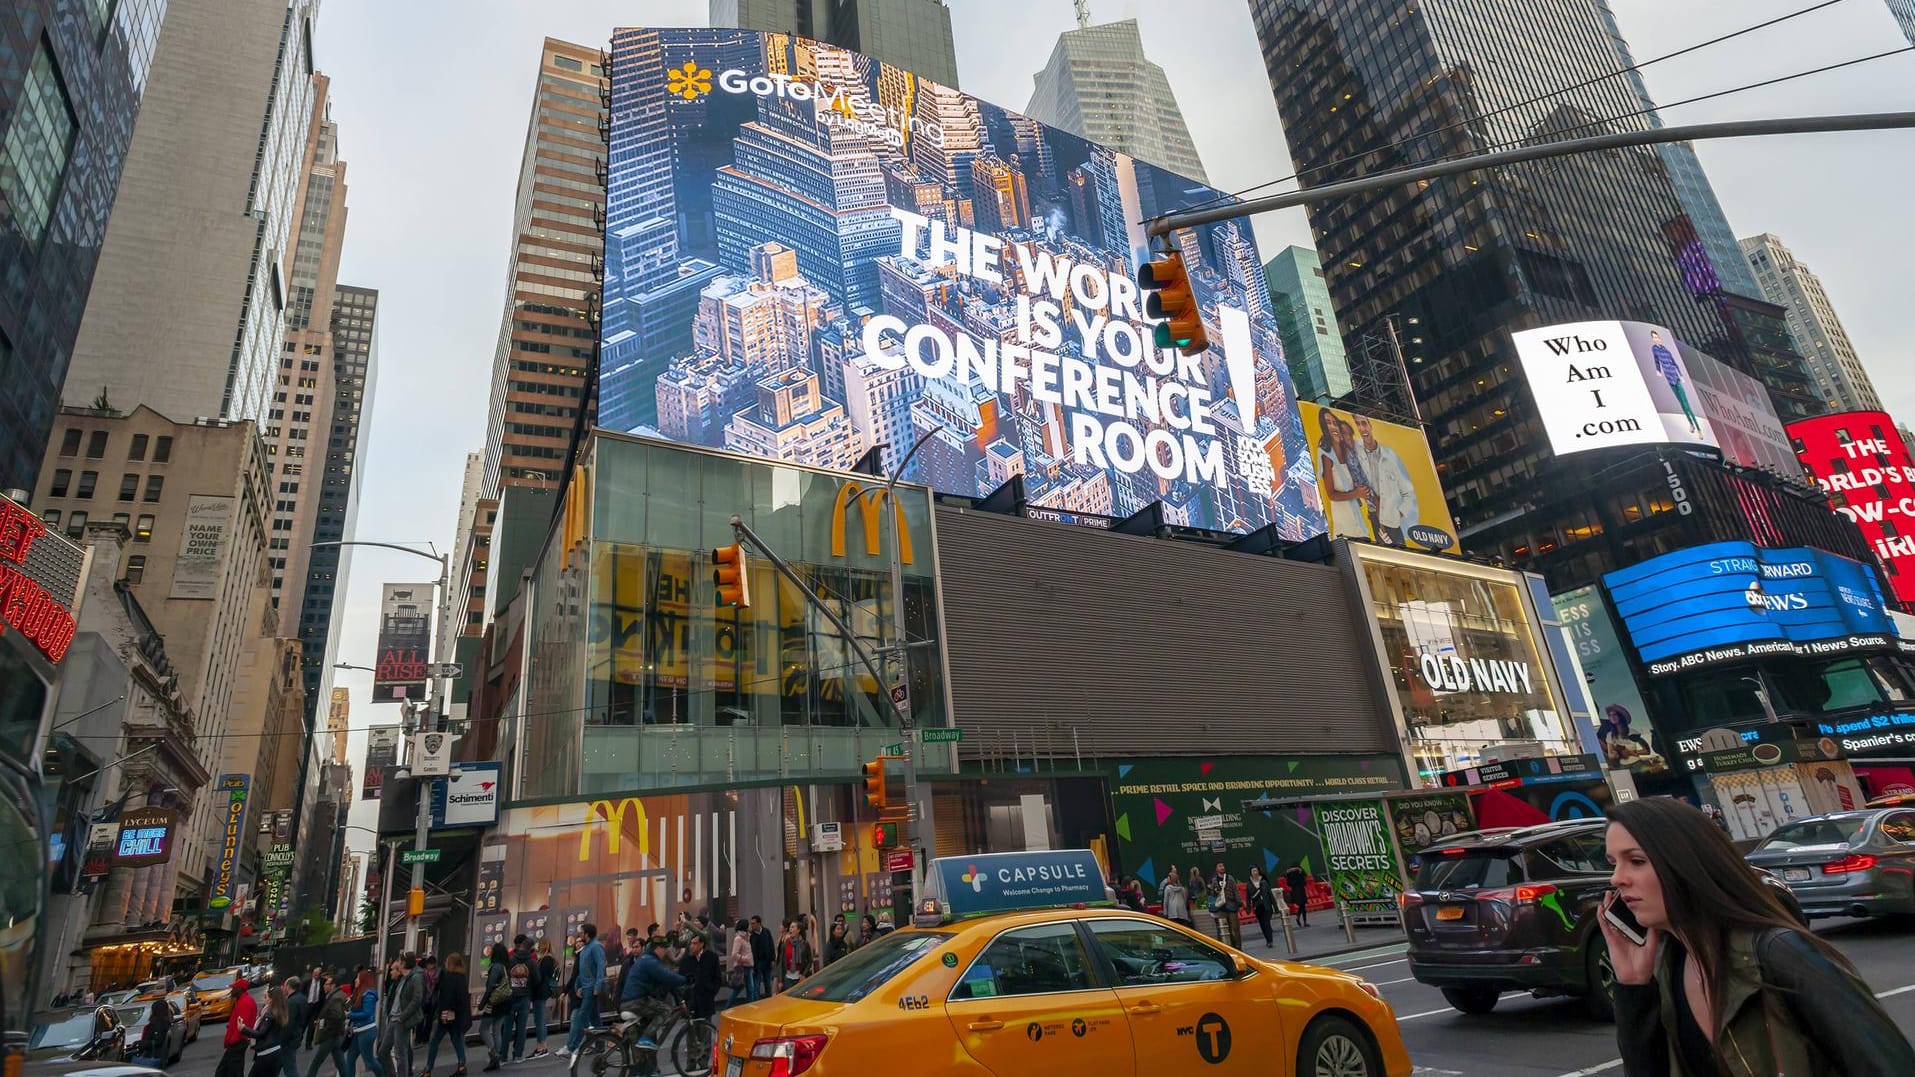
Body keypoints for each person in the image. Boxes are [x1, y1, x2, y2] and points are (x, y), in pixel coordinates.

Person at [1603, 797, 1915, 1076]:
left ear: (1688, 863)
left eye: (1637, 861)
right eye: (1613, 863)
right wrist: (1633, 989)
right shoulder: (1667, 966)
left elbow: (1886, 1062)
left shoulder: (1779, 952)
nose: (1617, 878)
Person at [1351, 414, 1419, 546]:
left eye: (1364, 423)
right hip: (1373, 517)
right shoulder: (1355, 452)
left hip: (1391, 521)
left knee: (1402, 558)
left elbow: (1408, 493)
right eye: (1357, 424)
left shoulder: (1389, 457)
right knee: (1383, 559)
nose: (1361, 428)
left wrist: (1398, 513)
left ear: (1370, 426)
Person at [620, 940, 685, 1052]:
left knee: (645, 1026)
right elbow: (665, 976)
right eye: (664, 949)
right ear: (658, 948)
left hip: (629, 1000)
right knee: (665, 1010)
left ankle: (647, 1063)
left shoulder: (644, 959)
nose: (665, 952)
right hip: (637, 1001)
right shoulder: (651, 961)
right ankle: (645, 1038)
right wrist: (684, 980)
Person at [1317, 409, 1373, 538]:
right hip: (1344, 524)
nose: (1332, 426)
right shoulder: (1326, 455)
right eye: (1327, 423)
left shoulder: (1348, 452)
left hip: (1359, 519)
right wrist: (1356, 493)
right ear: (1324, 427)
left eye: (1334, 422)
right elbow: (1331, 494)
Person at [560, 923, 605, 1059]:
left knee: (582, 1017)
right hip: (585, 988)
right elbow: (581, 971)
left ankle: (572, 1047)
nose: (579, 936)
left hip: (591, 988)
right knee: (594, 1018)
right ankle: (600, 1045)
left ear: (587, 934)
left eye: (581, 933)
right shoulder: (585, 949)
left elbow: (600, 968)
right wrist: (577, 986)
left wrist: (598, 986)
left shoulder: (596, 947)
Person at [423, 953, 470, 1077]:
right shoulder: (461, 977)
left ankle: (428, 1069)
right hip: (457, 1015)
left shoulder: (448, 977)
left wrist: (441, 1012)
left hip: (446, 1015)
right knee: (456, 1040)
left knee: (434, 1042)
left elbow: (445, 997)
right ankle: (462, 1065)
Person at [1647, 329, 1701, 435]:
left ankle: (1699, 429)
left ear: (1659, 338)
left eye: (1657, 337)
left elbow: (1674, 363)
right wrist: (1658, 371)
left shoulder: (1666, 350)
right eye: (1654, 337)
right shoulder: (1654, 349)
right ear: (1653, 339)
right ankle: (1691, 424)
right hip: (1669, 379)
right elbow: (1656, 360)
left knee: (1687, 405)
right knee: (1681, 404)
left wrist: (1681, 375)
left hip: (1675, 377)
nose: (1656, 339)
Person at [378, 956, 423, 1077]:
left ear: (403, 965)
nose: (391, 972)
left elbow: (417, 999)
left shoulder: (414, 977)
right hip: (395, 1018)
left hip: (400, 1019)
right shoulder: (403, 979)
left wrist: (403, 1016)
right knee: (383, 1051)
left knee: (400, 1052)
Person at [307, 973, 350, 1077]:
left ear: (333, 985)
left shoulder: (334, 998)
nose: (324, 986)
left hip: (330, 1035)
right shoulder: (338, 995)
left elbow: (337, 1016)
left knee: (315, 1063)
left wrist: (325, 1022)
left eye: (327, 984)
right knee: (340, 1062)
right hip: (336, 1034)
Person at [216, 974, 259, 1077]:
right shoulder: (244, 1001)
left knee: (231, 1071)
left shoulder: (244, 1002)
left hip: (238, 1041)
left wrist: (233, 1040)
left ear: (240, 989)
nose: (232, 990)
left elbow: (242, 1024)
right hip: (238, 1041)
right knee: (228, 1070)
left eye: (234, 988)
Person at [341, 972, 382, 1077]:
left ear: (363, 980)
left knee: (369, 1061)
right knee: (350, 1059)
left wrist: (349, 1015)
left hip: (366, 1031)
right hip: (357, 1031)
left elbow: (367, 1013)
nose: (355, 980)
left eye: (358, 978)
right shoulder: (358, 993)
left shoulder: (368, 995)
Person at [478, 944, 510, 1073]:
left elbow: (490, 986)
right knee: (497, 1029)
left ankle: (493, 1053)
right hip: (504, 1002)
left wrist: (482, 1003)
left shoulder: (495, 967)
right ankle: (497, 1059)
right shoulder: (506, 966)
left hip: (494, 1002)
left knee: (483, 1029)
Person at [502, 937, 535, 1065]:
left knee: (507, 1028)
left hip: (510, 996)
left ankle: (503, 1056)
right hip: (525, 997)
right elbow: (536, 979)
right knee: (521, 1027)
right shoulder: (531, 962)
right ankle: (518, 1055)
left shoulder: (510, 960)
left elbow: (504, 977)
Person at [244, 986, 289, 1077]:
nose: (264, 999)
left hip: (266, 1052)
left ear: (271, 999)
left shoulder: (269, 1014)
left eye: (266, 997)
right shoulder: (281, 1012)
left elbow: (261, 1033)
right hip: (276, 1050)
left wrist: (243, 1029)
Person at [528, 938, 556, 1059]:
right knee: (540, 1020)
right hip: (543, 991)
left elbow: (538, 976)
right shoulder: (549, 959)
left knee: (539, 1020)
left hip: (540, 992)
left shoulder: (546, 960)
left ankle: (541, 1047)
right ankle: (543, 1046)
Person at [683, 935, 721, 1020]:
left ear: (701, 944)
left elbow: (717, 978)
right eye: (691, 943)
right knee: (692, 1030)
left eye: (695, 943)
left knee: (706, 1028)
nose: (692, 946)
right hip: (691, 1002)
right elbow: (682, 979)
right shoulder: (687, 959)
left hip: (706, 1000)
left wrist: (711, 991)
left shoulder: (712, 957)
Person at [1210, 862, 1242, 949]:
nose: (1222, 867)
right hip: (1221, 907)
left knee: (1235, 928)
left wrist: (1239, 902)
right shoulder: (1214, 880)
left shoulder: (1230, 878)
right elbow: (1212, 894)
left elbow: (1235, 890)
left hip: (1231, 905)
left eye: (1223, 866)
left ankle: (1238, 947)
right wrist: (1215, 891)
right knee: (1224, 928)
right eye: (1220, 866)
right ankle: (1228, 946)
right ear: (1216, 869)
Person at [281, 977, 308, 1077]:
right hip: (297, 1035)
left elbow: (288, 1023)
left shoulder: (291, 1002)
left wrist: (282, 1039)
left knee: (289, 1068)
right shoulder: (302, 998)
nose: (283, 988)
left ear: (288, 986)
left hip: (289, 1040)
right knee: (289, 1065)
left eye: (284, 985)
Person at [134, 997, 172, 1067]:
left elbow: (157, 1041)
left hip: (151, 1055)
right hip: (157, 1055)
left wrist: (139, 1043)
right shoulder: (165, 1022)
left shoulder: (157, 1024)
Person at [726, 919, 755, 1005]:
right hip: (742, 967)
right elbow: (734, 954)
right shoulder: (738, 938)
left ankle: (750, 1007)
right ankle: (728, 1006)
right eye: (748, 925)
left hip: (748, 966)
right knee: (741, 989)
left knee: (750, 989)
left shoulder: (747, 937)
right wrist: (745, 958)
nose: (750, 926)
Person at [1247, 867, 1277, 949]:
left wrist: (1275, 906)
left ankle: (1270, 941)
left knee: (1267, 923)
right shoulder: (1249, 884)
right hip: (1258, 907)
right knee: (1262, 924)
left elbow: (1270, 894)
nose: (1255, 872)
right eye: (1253, 871)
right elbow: (1248, 897)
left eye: (1256, 870)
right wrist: (1248, 908)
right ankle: (1267, 938)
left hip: (1266, 906)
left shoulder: (1264, 882)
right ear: (1251, 873)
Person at [778, 920, 813, 991]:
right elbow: (781, 962)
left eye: (793, 927)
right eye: (790, 927)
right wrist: (780, 980)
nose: (790, 929)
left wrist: (804, 974)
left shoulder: (805, 944)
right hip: (788, 978)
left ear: (798, 930)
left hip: (800, 977)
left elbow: (810, 960)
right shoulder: (785, 944)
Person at [748, 917, 776, 1001]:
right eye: (751, 923)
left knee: (767, 982)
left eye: (753, 923)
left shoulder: (766, 932)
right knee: (757, 984)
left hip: (767, 961)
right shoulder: (751, 935)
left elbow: (771, 945)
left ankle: (769, 1000)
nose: (752, 925)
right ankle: (757, 1001)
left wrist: (773, 959)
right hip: (757, 963)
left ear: (759, 923)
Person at [304, 968, 326, 1049]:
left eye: (317, 974)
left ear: (320, 974)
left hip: (316, 1007)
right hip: (307, 1006)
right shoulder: (307, 982)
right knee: (303, 1025)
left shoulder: (323, 982)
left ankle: (308, 1043)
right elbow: (303, 994)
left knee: (312, 1026)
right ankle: (298, 1040)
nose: (315, 976)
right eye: (314, 974)